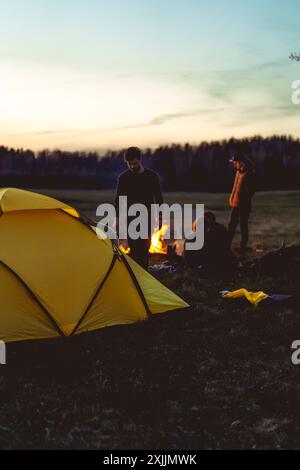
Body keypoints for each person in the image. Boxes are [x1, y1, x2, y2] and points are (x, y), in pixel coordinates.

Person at [115, 146, 163, 269]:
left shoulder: (152, 177)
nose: (132, 166)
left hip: (148, 219)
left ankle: (143, 277)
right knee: (135, 250)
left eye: (134, 163)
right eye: (129, 164)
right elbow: (119, 200)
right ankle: (136, 278)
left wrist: (160, 218)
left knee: (144, 250)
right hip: (130, 219)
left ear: (140, 160)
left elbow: (158, 198)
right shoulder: (124, 178)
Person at [227, 154, 255, 254]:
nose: (234, 165)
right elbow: (235, 187)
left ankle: (243, 248)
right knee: (231, 225)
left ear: (241, 162)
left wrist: (243, 200)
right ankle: (226, 246)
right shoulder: (238, 172)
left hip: (243, 205)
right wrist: (232, 197)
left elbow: (251, 191)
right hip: (235, 204)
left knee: (243, 226)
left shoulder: (249, 173)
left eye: (235, 163)